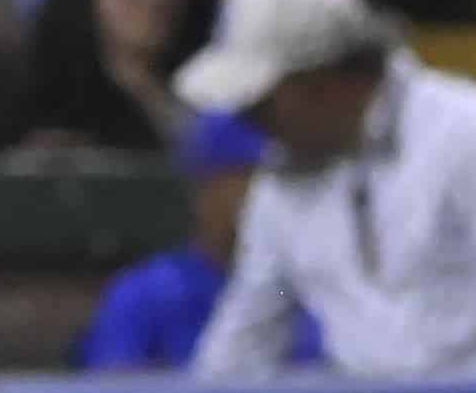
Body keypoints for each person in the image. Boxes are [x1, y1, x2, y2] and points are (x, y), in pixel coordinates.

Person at [180, 0, 476, 381]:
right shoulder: (281, 184)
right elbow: (248, 332)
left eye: (261, 103)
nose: (250, 121)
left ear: (324, 81)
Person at [74, 112, 320, 372]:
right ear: (204, 187)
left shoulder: (310, 289)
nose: (271, 195)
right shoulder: (145, 294)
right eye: (249, 178)